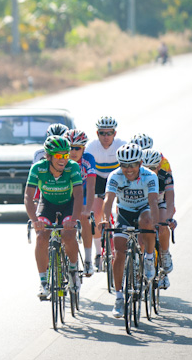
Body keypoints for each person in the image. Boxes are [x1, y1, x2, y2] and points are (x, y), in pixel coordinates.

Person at [102, 143, 159, 319]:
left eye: (133, 165)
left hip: (143, 210)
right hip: (124, 213)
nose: (128, 169)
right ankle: (119, 297)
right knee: (119, 251)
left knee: (148, 221)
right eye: (124, 165)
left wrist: (156, 223)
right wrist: (105, 219)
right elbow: (108, 199)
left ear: (140, 163)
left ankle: (149, 258)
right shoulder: (114, 176)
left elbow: (153, 202)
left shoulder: (149, 176)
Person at [24, 136, 85, 300]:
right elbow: (28, 197)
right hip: (47, 204)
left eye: (66, 155)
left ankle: (73, 271)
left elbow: (79, 195)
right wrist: (34, 221)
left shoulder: (72, 167)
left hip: (68, 204)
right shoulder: (38, 168)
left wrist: (74, 219)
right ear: (48, 156)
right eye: (58, 156)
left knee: (68, 234)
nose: (63, 160)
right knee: (42, 237)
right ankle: (43, 281)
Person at [84, 116, 126, 271]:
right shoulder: (91, 147)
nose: (106, 137)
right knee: (95, 215)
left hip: (116, 178)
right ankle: (98, 253)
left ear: (115, 133)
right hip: (99, 179)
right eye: (102, 133)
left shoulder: (122, 145)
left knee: (122, 209)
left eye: (110, 133)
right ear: (97, 133)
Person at [142, 149, 176, 289]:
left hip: (160, 202)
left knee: (162, 227)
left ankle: (164, 253)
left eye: (153, 168)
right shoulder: (135, 177)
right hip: (143, 204)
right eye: (146, 168)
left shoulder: (165, 177)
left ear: (159, 167)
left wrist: (167, 219)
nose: (150, 171)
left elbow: (170, 201)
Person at [66, 128, 98, 276]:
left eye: (77, 148)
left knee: (85, 219)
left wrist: (88, 209)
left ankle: (88, 260)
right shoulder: (61, 160)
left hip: (84, 194)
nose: (73, 152)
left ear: (83, 148)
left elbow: (91, 186)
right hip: (66, 195)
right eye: (70, 147)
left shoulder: (88, 159)